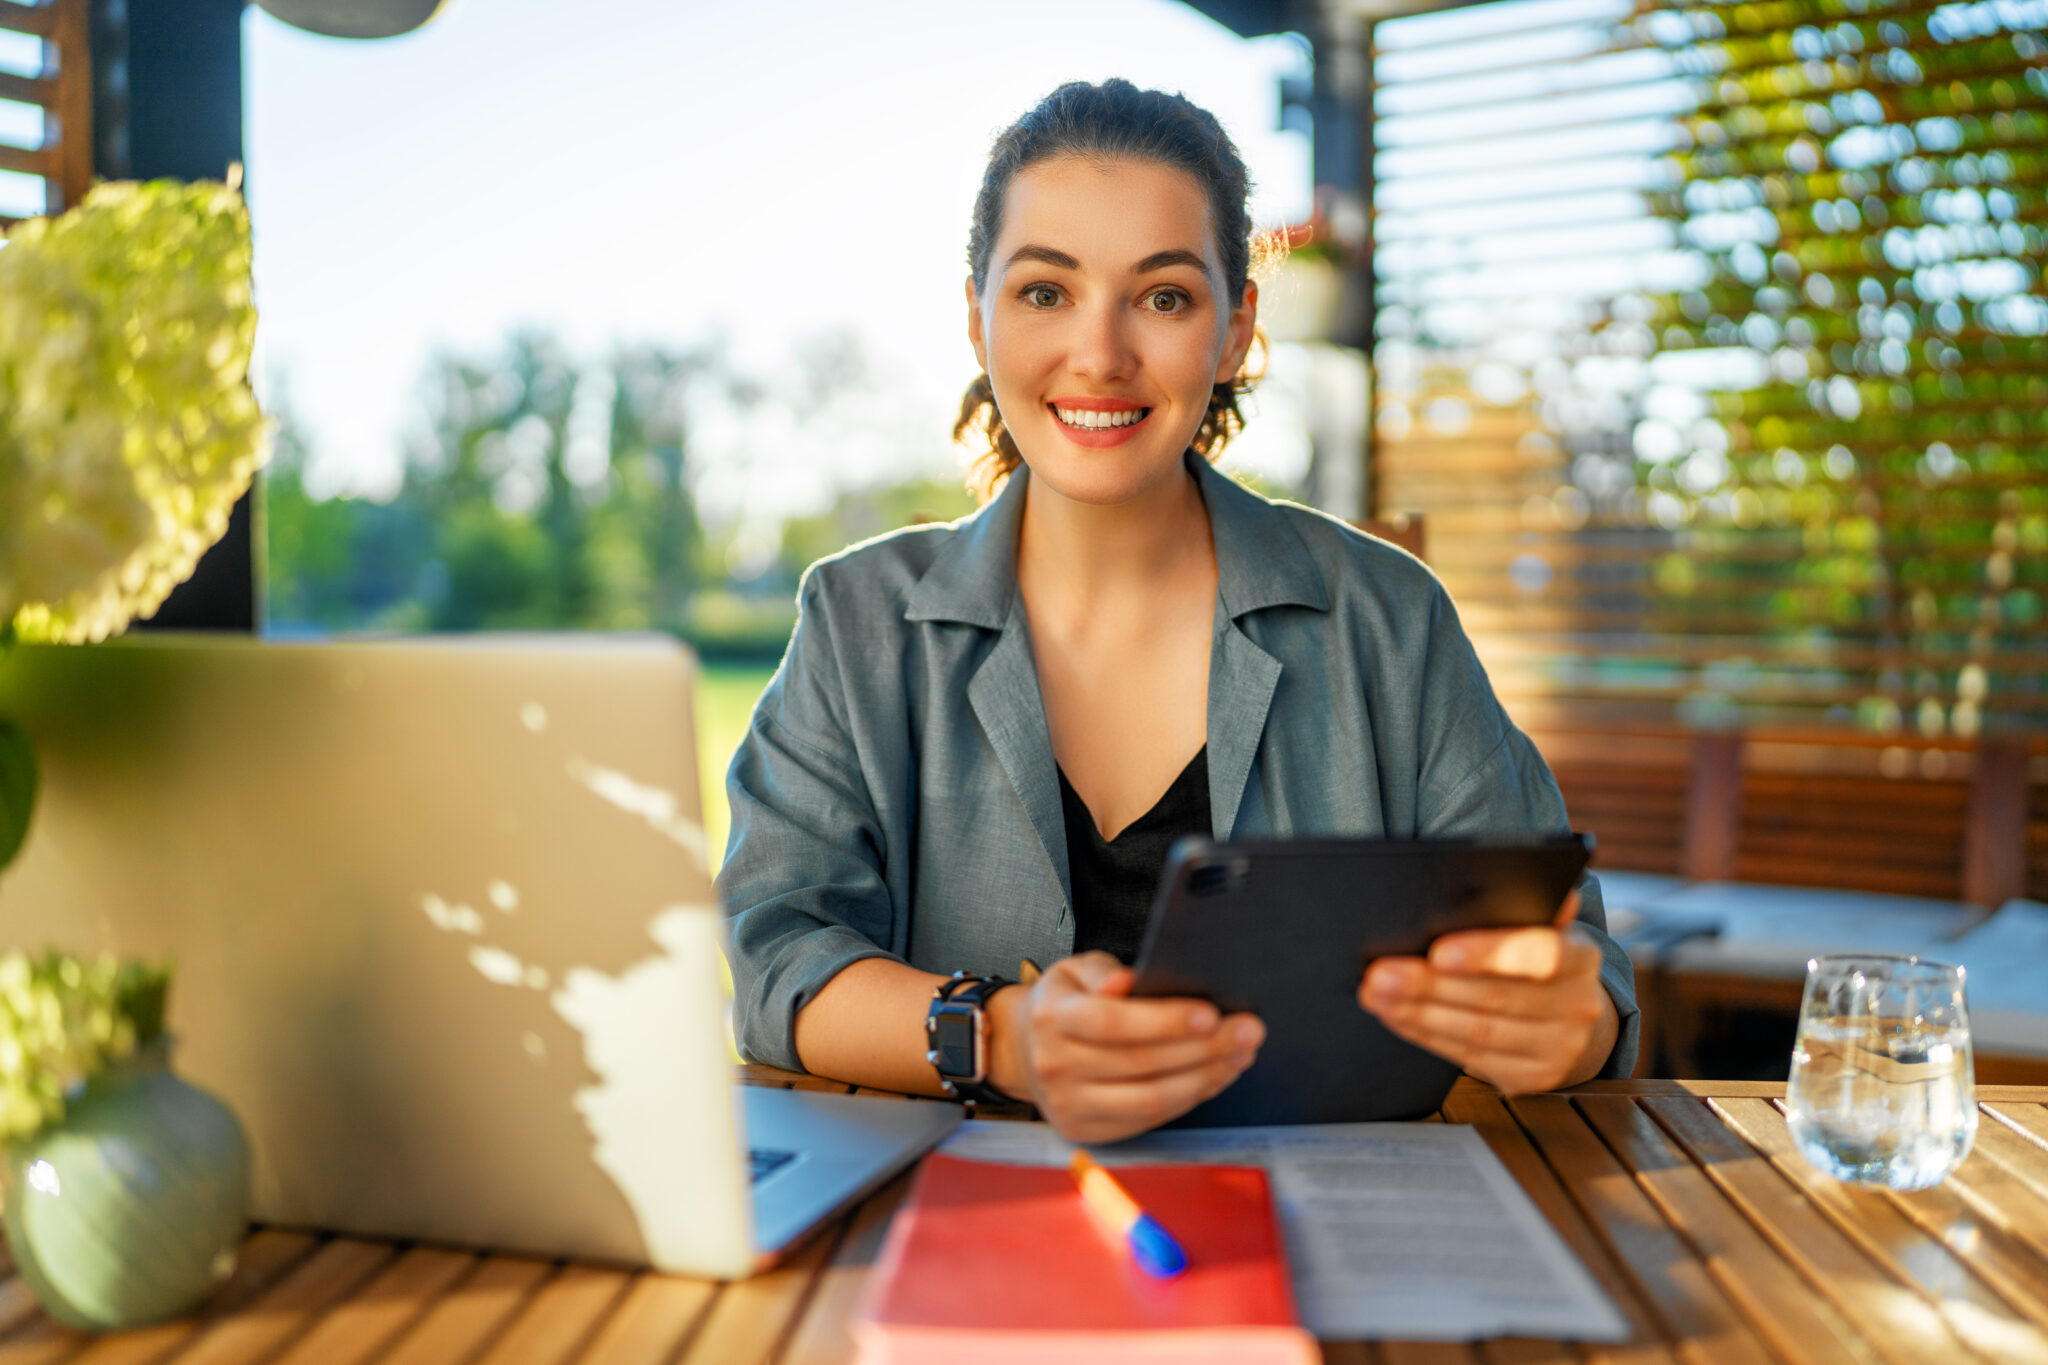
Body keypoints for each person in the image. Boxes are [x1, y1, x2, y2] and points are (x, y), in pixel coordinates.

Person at [719, 79, 1637, 1144]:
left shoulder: (1389, 620)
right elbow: (776, 957)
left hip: (1341, 1236)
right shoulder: (855, 621)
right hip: (965, 1235)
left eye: (1162, 297)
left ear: (1236, 328)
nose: (1100, 355)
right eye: (1043, 292)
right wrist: (1005, 1039)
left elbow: (1579, 971)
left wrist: (1562, 1026)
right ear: (976, 317)